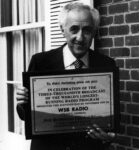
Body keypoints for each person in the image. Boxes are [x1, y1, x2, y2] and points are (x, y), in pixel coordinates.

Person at [17, 2, 116, 150]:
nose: (80, 37)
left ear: (94, 32)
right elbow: (26, 116)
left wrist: (108, 137)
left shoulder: (107, 65)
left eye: (87, 30)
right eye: (74, 29)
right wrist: (23, 102)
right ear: (62, 30)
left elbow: (110, 118)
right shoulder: (40, 62)